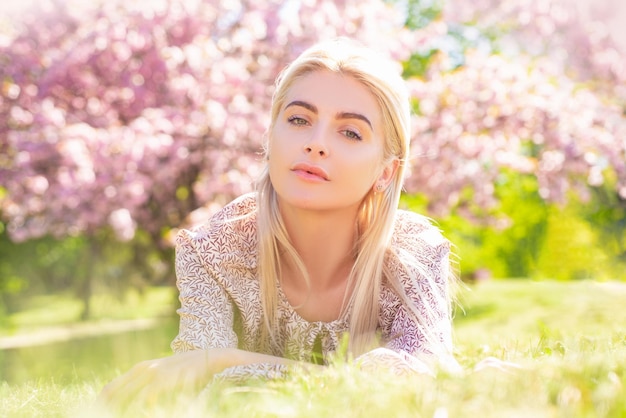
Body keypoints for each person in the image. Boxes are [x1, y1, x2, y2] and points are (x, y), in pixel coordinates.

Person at [100, 37, 459, 405]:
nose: (316, 144)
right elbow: (201, 388)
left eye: (350, 131)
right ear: (271, 136)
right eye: (299, 120)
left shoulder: (412, 253)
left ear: (386, 171)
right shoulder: (215, 251)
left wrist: (229, 359)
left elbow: (426, 377)